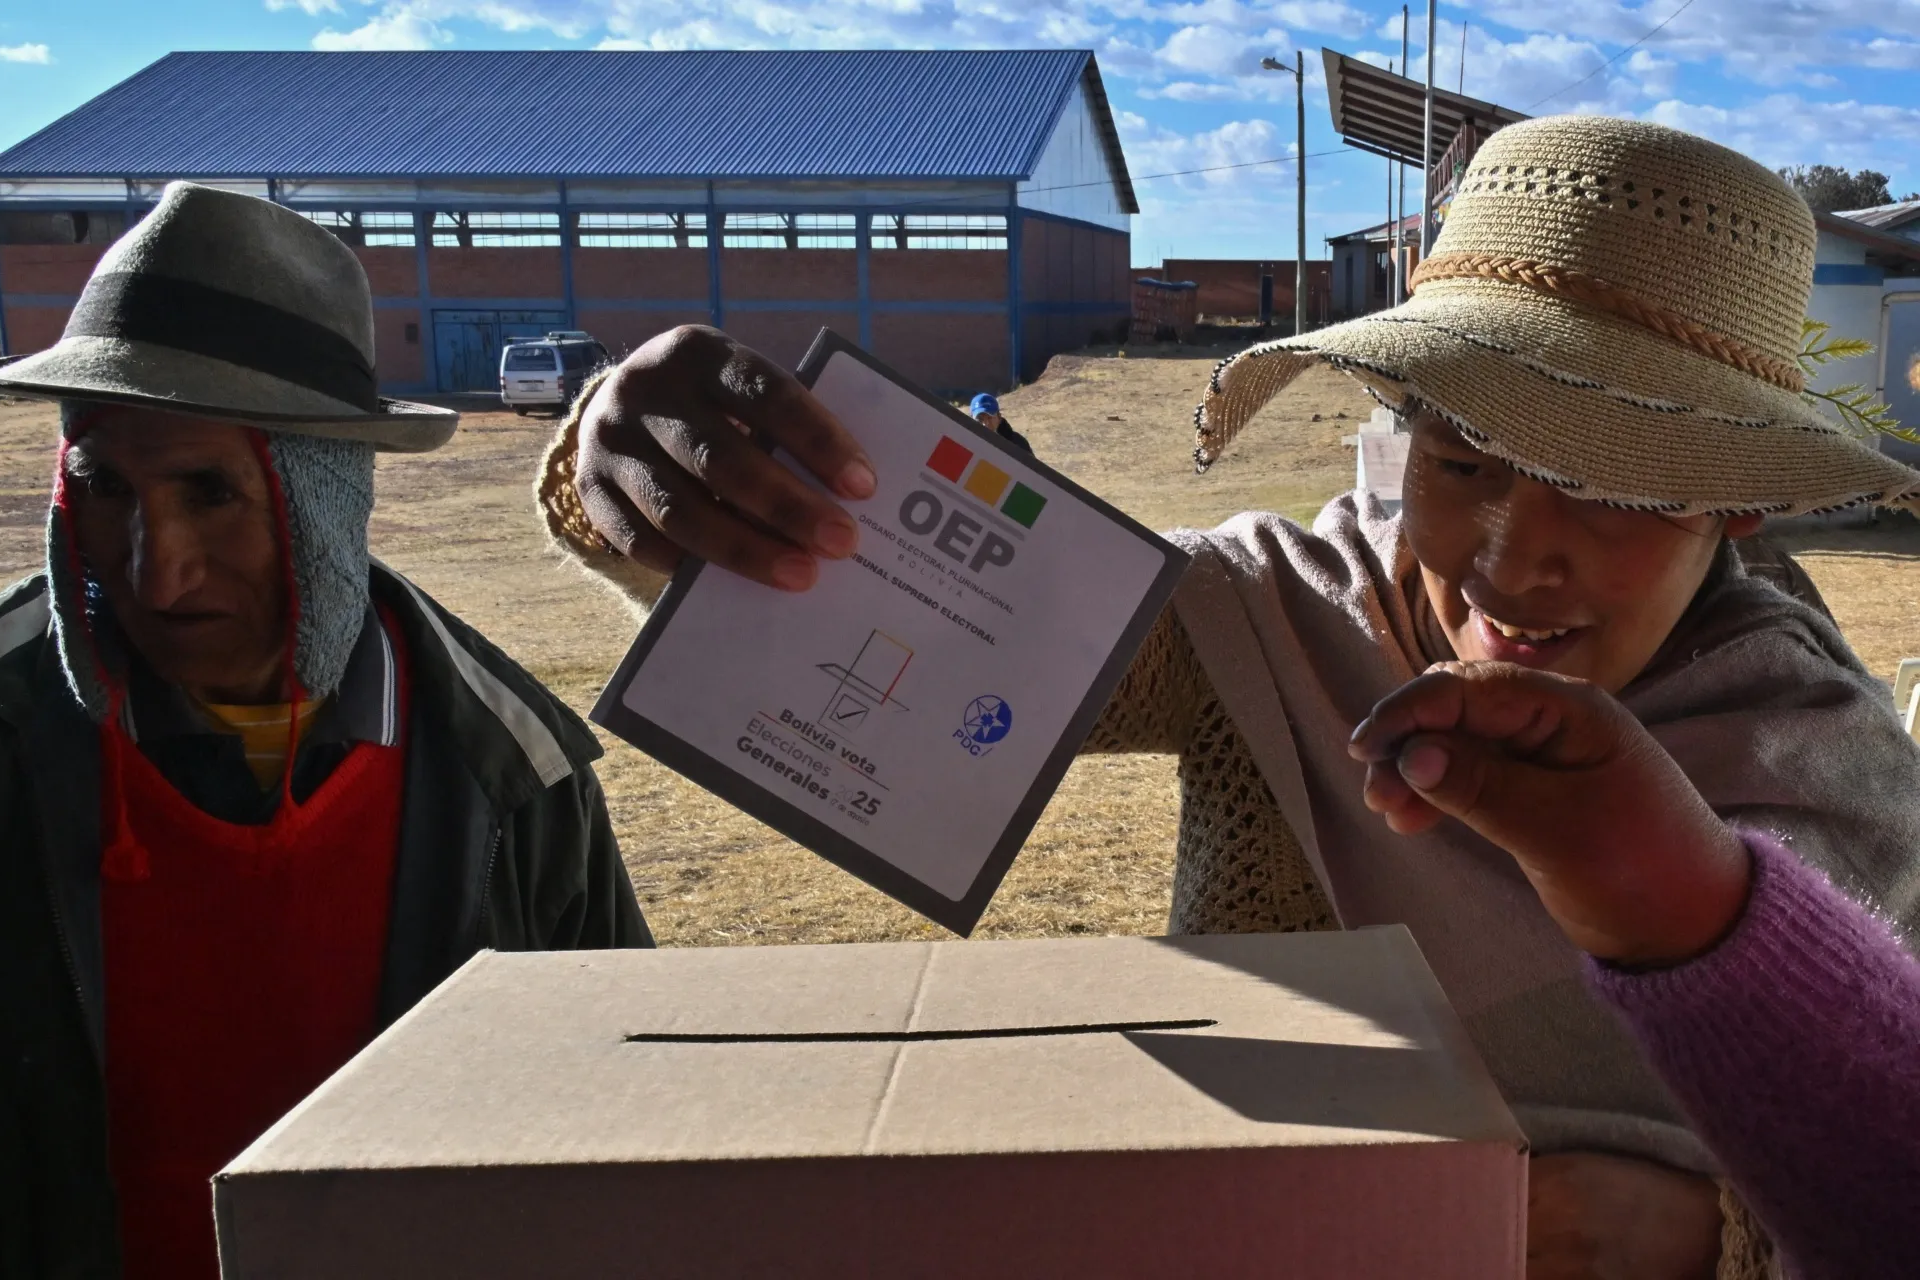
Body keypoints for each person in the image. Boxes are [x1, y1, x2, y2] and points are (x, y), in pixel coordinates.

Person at [539, 115, 1920, 1275]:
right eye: (1467, 461)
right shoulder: (1268, 614)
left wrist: (1702, 1241)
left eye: (1615, 488)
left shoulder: (1830, 778)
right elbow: (945, 620)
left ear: (1737, 508)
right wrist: (663, 475)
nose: (1509, 560)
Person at [0, 183, 651, 1278]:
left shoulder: (512, 770)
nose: (153, 570)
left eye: (210, 492)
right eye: (107, 486)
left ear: (325, 502)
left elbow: (627, 1128)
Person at [1351, 661, 1920, 1280]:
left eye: (1617, 551)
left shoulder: (1843, 751)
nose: (1516, 573)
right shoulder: (1255, 628)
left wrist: (1726, 1232)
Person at [968, 391, 1034, 455]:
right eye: (980, 419)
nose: (985, 424)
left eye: (989, 417)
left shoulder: (1017, 443)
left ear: (999, 417)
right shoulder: (967, 444)